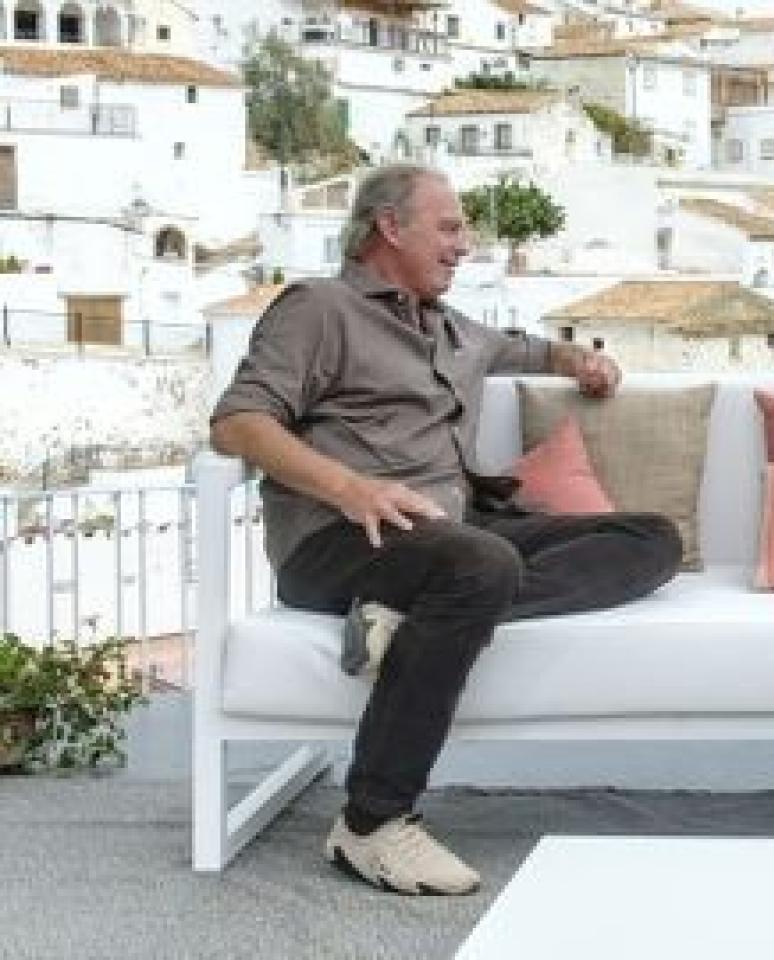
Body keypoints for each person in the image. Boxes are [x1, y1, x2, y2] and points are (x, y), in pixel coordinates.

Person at [209, 164, 682, 896]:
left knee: (652, 540)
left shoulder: (456, 329)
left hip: (450, 539)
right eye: (451, 227)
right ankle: (370, 823)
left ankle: (411, 618)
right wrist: (351, 487)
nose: (465, 245)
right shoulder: (319, 309)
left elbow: (525, 349)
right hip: (340, 539)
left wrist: (580, 361)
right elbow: (237, 422)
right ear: (389, 228)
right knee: (479, 564)